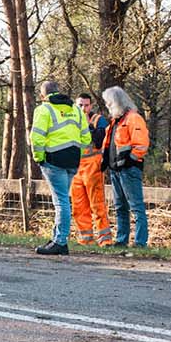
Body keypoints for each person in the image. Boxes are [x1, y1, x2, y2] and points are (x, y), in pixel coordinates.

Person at [30, 79, 91, 256]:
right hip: (72, 161)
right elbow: (86, 139)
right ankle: (57, 237)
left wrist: (39, 158)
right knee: (63, 199)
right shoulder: (75, 110)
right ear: (58, 91)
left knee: (61, 201)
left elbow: (37, 138)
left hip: (53, 160)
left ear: (43, 95)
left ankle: (60, 242)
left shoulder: (44, 109)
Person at [102, 85, 151, 248]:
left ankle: (140, 242)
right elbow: (109, 145)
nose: (107, 106)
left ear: (117, 102)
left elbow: (141, 145)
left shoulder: (133, 119)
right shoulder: (115, 122)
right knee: (120, 206)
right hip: (116, 170)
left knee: (136, 206)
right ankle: (121, 240)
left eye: (109, 103)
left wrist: (130, 160)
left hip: (129, 169)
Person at [70, 92, 113, 247]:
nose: (83, 108)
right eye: (80, 105)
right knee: (79, 205)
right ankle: (85, 239)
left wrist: (87, 127)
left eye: (86, 105)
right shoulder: (70, 120)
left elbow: (101, 137)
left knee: (97, 203)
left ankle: (105, 239)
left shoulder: (98, 120)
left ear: (91, 106)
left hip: (93, 166)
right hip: (75, 168)